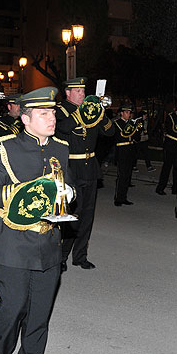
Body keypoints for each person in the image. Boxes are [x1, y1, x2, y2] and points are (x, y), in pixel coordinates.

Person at [0, 86, 76, 354]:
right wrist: (28, 192)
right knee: (11, 310)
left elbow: (69, 184)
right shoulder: (5, 148)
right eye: (43, 113)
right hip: (14, 244)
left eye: (53, 112)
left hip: (48, 243)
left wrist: (69, 192)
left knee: (40, 313)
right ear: (25, 119)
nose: (52, 118)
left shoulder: (61, 147)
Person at [55, 77, 115, 272]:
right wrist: (82, 112)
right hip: (71, 169)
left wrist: (101, 113)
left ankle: (80, 256)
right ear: (68, 93)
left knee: (87, 215)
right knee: (71, 215)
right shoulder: (61, 110)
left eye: (83, 91)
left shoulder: (91, 111)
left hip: (90, 168)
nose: (82, 94)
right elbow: (63, 128)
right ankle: (61, 256)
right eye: (78, 91)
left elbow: (110, 132)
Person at [113, 104, 139, 206]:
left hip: (130, 150)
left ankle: (124, 197)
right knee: (122, 175)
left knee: (128, 176)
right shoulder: (117, 123)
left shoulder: (131, 124)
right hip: (122, 150)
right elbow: (121, 136)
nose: (129, 114)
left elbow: (136, 138)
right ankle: (118, 198)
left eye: (129, 113)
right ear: (122, 113)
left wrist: (137, 129)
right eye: (127, 112)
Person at [155, 106, 177, 195]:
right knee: (166, 168)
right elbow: (172, 130)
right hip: (170, 146)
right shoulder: (171, 117)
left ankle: (175, 188)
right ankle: (160, 188)